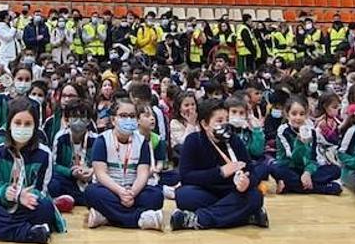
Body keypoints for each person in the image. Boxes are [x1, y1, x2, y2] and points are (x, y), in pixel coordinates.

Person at [0, 98, 64, 244]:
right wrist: (7, 194)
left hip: (29, 205)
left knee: (46, 208)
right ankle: (30, 234)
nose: (22, 127)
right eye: (17, 123)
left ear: (35, 126)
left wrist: (24, 197)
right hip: (4, 204)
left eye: (28, 124)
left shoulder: (44, 153)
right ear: (9, 125)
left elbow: (41, 191)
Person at [169, 98, 266, 231]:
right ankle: (245, 217)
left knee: (255, 196)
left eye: (226, 120)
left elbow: (251, 171)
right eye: (219, 121)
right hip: (206, 191)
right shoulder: (193, 141)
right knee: (184, 195)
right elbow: (186, 177)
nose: (225, 124)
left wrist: (247, 182)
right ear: (204, 124)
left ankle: (197, 219)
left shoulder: (234, 140)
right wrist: (220, 172)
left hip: (233, 191)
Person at [83, 99, 167, 231]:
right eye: (123, 116)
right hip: (111, 189)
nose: (128, 119)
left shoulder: (142, 142)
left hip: (134, 190)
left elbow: (143, 173)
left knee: (156, 196)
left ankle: (107, 217)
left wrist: (132, 193)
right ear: (113, 119)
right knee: (91, 192)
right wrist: (120, 192)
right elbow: (100, 174)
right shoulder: (102, 140)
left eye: (132, 116)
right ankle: (141, 219)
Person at [272, 97, 341, 194]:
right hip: (289, 167)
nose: (298, 118)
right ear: (287, 115)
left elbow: (313, 159)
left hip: (306, 170)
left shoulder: (312, 131)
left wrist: (307, 172)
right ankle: (320, 188)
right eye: (294, 114)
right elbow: (293, 158)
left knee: (336, 170)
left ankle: (290, 186)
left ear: (307, 115)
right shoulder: (283, 131)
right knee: (275, 168)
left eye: (302, 114)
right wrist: (300, 143)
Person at [48, 100, 95, 207]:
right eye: (74, 117)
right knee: (53, 181)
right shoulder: (60, 137)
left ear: (88, 121)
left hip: (88, 179)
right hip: (69, 179)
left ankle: (80, 199)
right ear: (67, 120)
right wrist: (71, 172)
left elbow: (101, 165)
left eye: (83, 117)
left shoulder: (96, 139)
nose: (78, 121)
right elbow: (54, 165)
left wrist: (91, 171)